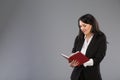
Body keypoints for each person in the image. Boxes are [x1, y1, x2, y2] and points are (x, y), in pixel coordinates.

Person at [69, 14, 107, 80]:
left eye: (84, 25)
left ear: (91, 24)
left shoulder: (100, 38)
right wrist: (72, 63)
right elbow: (74, 52)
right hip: (76, 76)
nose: (82, 28)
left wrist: (83, 62)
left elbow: (99, 58)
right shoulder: (78, 38)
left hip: (92, 76)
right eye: (80, 26)